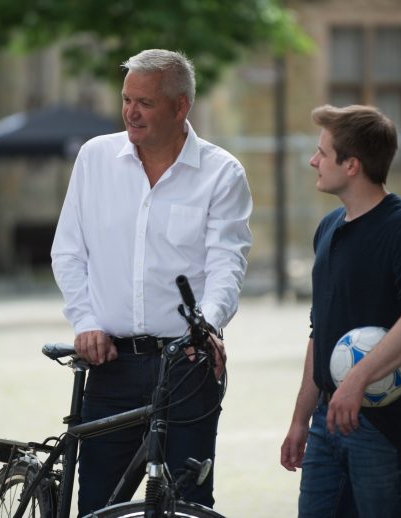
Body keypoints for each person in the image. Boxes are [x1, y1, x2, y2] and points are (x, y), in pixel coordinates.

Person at [51, 49, 252, 516]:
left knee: (187, 504)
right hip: (111, 361)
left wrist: (207, 326)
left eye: (144, 102)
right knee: (100, 504)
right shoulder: (95, 159)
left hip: (186, 364)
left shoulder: (222, 174)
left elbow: (227, 264)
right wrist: (84, 322)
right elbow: (68, 252)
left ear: (180, 107)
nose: (131, 112)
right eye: (126, 100)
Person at [280, 105, 401, 517]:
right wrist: (301, 418)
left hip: (384, 427)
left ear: (352, 164)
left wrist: (358, 378)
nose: (313, 161)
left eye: (322, 152)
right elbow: (320, 330)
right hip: (326, 422)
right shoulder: (328, 228)